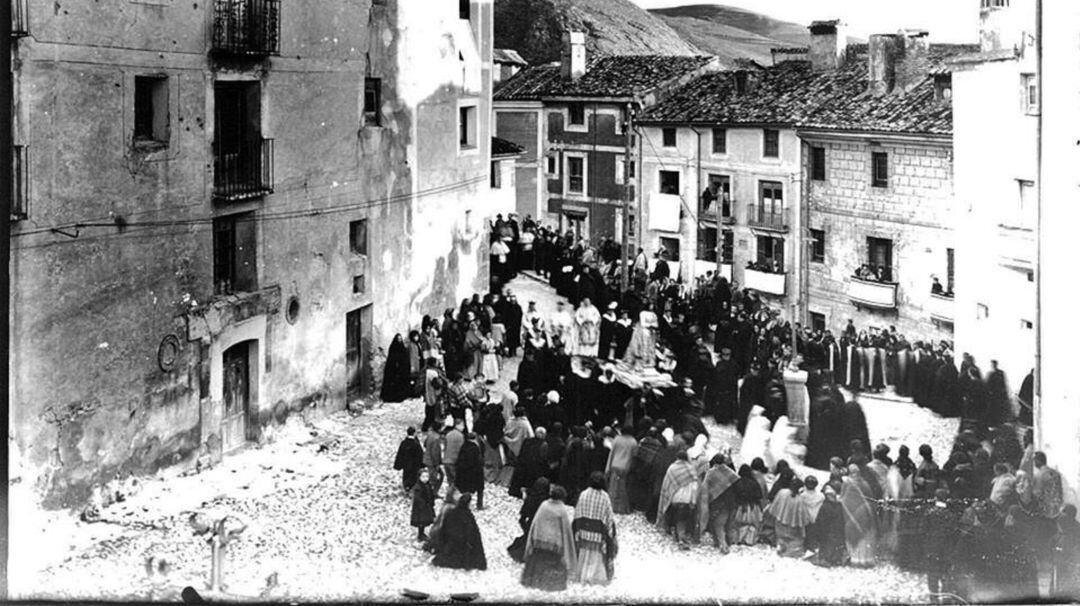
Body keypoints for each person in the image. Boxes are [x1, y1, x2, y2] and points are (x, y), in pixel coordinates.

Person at [522, 485, 577, 591]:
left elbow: (535, 523)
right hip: (554, 546)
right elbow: (566, 531)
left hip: (540, 542)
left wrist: (531, 542)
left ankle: (534, 582)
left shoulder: (544, 505)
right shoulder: (561, 510)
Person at [573, 472, 618, 585]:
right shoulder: (605, 497)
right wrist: (611, 534)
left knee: (584, 555)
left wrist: (577, 530)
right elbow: (609, 517)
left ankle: (581, 575)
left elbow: (577, 514)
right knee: (596, 559)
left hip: (584, 532)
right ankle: (593, 578)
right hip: (598, 534)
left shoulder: (583, 494)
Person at [656, 450, 701, 549]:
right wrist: (693, 501)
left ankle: (677, 537)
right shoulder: (691, 469)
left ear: (677, 458)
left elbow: (667, 484)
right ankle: (681, 538)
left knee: (674, 517)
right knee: (682, 520)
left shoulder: (672, 468)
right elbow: (695, 487)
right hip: (686, 499)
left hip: (674, 498)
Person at [431, 492, 487, 571]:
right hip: (461, 545)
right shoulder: (467, 515)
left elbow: (444, 529)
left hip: (451, 544)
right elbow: (472, 533)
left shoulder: (451, 512)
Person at [699, 454, 739, 553]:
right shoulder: (730, 472)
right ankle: (727, 542)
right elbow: (737, 481)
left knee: (718, 524)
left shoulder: (711, 473)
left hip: (718, 502)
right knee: (727, 524)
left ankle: (723, 545)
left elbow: (705, 488)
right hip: (731, 502)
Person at [840, 464, 877, 567]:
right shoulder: (865, 484)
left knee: (854, 535)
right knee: (865, 538)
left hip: (851, 516)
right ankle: (866, 560)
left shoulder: (847, 483)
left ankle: (856, 559)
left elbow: (843, 499)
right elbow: (871, 500)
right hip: (865, 514)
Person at [508, 477, 551, 563]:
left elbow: (523, 517)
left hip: (531, 525)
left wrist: (526, 529)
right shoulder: (548, 501)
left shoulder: (531, 498)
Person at [769, 475, 812, 557]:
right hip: (792, 525)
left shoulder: (782, 492)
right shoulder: (800, 500)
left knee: (781, 536)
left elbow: (774, 505)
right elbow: (803, 516)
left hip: (780, 521)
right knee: (792, 538)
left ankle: (780, 546)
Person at [807, 483, 847, 567]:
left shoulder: (825, 506)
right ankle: (836, 559)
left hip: (827, 532)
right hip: (837, 531)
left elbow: (820, 521)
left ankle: (827, 559)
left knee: (826, 546)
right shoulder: (839, 505)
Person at [729, 464, 764, 546]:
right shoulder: (754, 483)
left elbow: (733, 495)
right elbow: (759, 496)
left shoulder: (737, 482)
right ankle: (749, 540)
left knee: (738, 524)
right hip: (752, 507)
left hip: (739, 506)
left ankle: (738, 539)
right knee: (751, 524)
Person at [605, 425, 637, 514]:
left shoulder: (617, 439)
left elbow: (611, 454)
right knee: (623, 488)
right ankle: (623, 509)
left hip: (615, 465)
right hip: (625, 467)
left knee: (613, 487)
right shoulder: (633, 442)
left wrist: (607, 468)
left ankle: (612, 507)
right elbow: (633, 457)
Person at [1054, 504, 1080, 600]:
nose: (1061, 516)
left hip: (1066, 556)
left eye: (1063, 513)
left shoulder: (1068, 527)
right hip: (1065, 556)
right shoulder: (1073, 526)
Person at [456, 432, 486, 510]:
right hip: (476, 472)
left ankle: (465, 505)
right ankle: (479, 505)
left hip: (464, 472)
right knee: (480, 489)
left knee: (466, 489)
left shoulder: (463, 446)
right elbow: (478, 460)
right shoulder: (475, 448)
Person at [380, 334, 413, 402]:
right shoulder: (393, 347)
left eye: (401, 339)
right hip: (393, 370)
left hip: (401, 370)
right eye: (398, 339)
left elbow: (405, 359)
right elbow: (391, 359)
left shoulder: (402, 348)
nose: (399, 340)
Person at [393, 426, 424, 493]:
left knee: (406, 474)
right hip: (414, 464)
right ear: (414, 433)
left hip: (406, 463)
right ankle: (411, 486)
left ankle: (406, 485)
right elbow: (420, 454)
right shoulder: (416, 444)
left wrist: (398, 464)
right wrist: (422, 464)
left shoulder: (404, 443)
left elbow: (400, 454)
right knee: (413, 475)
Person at [410, 468, 437, 542]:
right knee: (421, 521)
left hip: (427, 506)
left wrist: (432, 502)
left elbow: (431, 494)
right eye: (423, 477)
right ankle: (420, 534)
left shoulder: (428, 485)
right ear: (419, 477)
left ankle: (422, 533)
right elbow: (417, 498)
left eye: (427, 477)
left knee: (425, 521)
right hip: (421, 508)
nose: (425, 479)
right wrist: (423, 504)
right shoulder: (418, 487)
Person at [443, 419, 465, 489]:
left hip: (446, 460)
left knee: (450, 480)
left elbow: (445, 446)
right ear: (457, 425)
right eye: (462, 425)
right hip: (454, 461)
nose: (463, 427)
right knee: (456, 481)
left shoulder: (448, 434)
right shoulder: (460, 436)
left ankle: (450, 496)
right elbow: (461, 449)